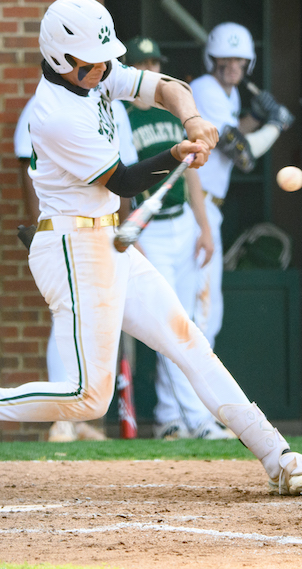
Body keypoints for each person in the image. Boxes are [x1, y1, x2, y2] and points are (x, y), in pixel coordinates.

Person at [0, 0, 302, 496]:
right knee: (87, 399)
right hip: (71, 247)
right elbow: (124, 180)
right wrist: (175, 152)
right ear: (61, 58)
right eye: (91, 62)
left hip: (106, 238)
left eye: (106, 59)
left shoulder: (97, 72)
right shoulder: (55, 112)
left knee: (188, 341)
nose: (103, 69)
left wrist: (191, 120)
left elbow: (167, 86)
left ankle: (279, 457)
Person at [117, 35, 230, 440]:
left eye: (153, 63)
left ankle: (173, 417)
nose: (149, 70)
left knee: (191, 322)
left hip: (183, 223)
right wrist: (134, 235)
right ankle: (193, 420)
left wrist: (204, 227)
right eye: (141, 64)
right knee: (172, 323)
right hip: (151, 228)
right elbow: (120, 184)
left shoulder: (175, 116)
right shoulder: (120, 116)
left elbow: (191, 174)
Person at [14, 97, 135, 441]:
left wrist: (123, 233)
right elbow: (29, 166)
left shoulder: (114, 107)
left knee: (97, 323)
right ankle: (62, 418)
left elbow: (123, 175)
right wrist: (41, 228)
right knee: (67, 317)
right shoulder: (45, 104)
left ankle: (78, 419)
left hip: (103, 231)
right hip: (66, 230)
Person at [191, 22, 292, 351]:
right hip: (194, 207)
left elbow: (231, 131)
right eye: (226, 60)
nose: (233, 67)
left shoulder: (228, 94)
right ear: (212, 60)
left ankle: (192, 401)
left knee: (207, 308)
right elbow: (238, 152)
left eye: (239, 61)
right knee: (203, 309)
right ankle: (186, 402)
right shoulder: (206, 88)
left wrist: (257, 118)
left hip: (208, 207)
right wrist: (275, 126)